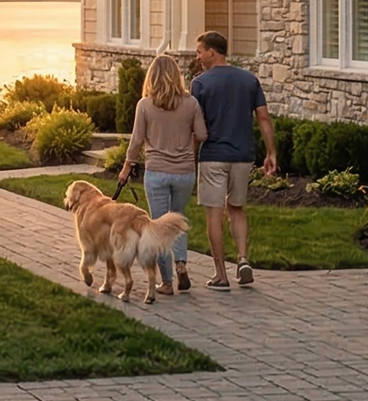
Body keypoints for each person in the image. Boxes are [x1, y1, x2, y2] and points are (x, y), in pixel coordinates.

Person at [188, 31, 276, 290]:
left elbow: (196, 126)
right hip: (242, 156)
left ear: (212, 52)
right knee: (236, 208)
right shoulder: (249, 80)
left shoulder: (200, 83)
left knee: (214, 214)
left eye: (199, 52)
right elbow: (263, 118)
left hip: (213, 156)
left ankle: (220, 275)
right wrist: (271, 153)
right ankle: (243, 259)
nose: (197, 57)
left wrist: (191, 159)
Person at [117, 52, 207, 294]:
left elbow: (136, 141)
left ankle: (166, 283)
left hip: (156, 172)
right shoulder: (191, 103)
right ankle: (181, 265)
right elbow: (202, 134)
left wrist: (127, 166)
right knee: (177, 220)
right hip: (184, 172)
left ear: (152, 77)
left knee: (158, 228)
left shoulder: (144, 105)